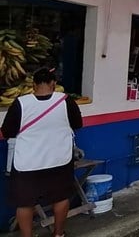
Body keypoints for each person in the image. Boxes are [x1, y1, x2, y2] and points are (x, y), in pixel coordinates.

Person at [1, 68, 83, 237]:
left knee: (25, 203)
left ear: (33, 85)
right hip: (59, 159)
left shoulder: (21, 103)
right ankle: (58, 234)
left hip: (27, 162)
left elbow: (7, 131)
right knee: (61, 197)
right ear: (54, 84)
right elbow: (77, 124)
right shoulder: (65, 101)